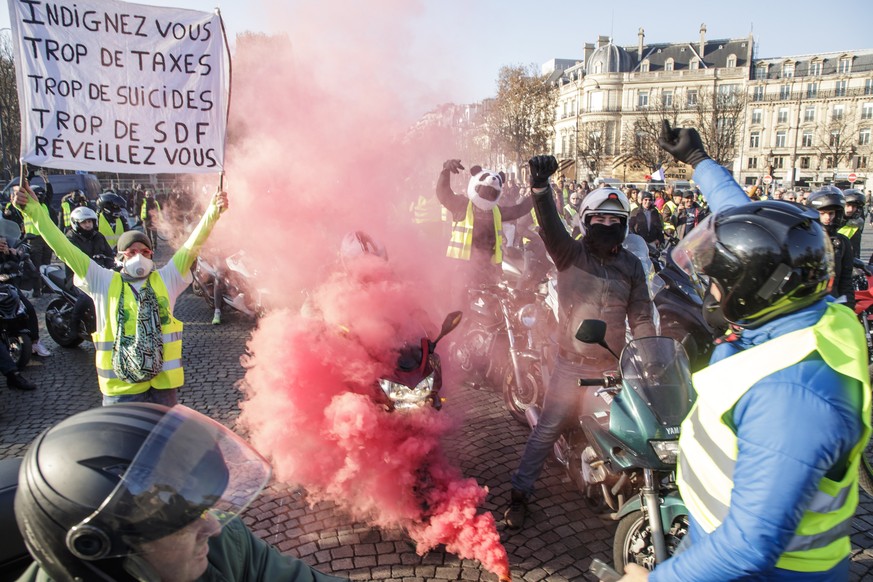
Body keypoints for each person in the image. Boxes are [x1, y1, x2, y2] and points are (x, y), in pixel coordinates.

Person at [617, 122, 870, 581]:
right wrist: (700, 163)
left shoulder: (794, 393)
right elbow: (756, 230)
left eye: (716, 281)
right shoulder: (804, 307)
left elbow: (749, 545)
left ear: (752, 290)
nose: (709, 292)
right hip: (713, 533)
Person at [14, 403, 347, 582]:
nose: (212, 526)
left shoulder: (223, 547)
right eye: (179, 521)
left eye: (198, 508)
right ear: (99, 548)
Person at [504, 155, 656, 530]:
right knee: (548, 428)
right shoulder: (570, 253)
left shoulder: (633, 267)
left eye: (614, 220)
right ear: (587, 222)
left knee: (634, 428)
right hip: (571, 364)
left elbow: (640, 316)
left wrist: (652, 355)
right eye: (599, 219)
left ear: (623, 225)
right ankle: (519, 494)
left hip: (615, 365)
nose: (607, 224)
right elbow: (551, 226)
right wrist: (540, 189)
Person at [15, 180, 228, 406]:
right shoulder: (103, 280)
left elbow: (192, 245)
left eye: (145, 252)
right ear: (121, 257)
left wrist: (214, 211)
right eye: (132, 252)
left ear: (152, 255)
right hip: (120, 389)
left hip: (162, 387)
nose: (139, 256)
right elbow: (64, 248)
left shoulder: (167, 279)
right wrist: (34, 210)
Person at [436, 159, 533, 288]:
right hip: (462, 268)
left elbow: (520, 210)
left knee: (492, 303)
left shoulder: (496, 211)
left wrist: (537, 191)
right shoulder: (462, 205)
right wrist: (445, 171)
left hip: (489, 268)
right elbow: (443, 194)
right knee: (461, 304)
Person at [65, 206, 116, 337]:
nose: (88, 225)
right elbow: (73, 258)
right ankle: (73, 325)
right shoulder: (70, 239)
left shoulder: (98, 236)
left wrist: (116, 265)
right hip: (78, 276)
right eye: (84, 222)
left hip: (100, 273)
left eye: (90, 222)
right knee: (87, 296)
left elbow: (109, 254)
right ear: (76, 224)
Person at [808, 188, 854, 309]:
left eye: (831, 213)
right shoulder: (804, 239)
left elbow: (846, 280)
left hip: (834, 303)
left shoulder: (843, 242)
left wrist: (849, 309)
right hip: (808, 306)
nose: (827, 217)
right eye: (822, 213)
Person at [839, 188, 865, 259]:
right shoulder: (830, 221)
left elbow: (855, 252)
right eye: (847, 205)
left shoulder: (854, 226)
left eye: (853, 206)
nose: (850, 209)